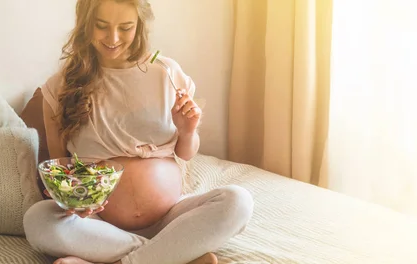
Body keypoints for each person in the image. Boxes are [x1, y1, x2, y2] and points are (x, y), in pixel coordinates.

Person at [22, 0, 254, 263]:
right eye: (101, 26)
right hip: (100, 225)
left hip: (171, 220)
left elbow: (186, 154)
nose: (113, 38)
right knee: (37, 220)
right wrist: (74, 199)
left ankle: (126, 259)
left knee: (238, 201)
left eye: (125, 27)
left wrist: (187, 131)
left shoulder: (166, 72)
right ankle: (170, 254)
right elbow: (63, 166)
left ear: (140, 26)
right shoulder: (61, 87)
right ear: (86, 24)